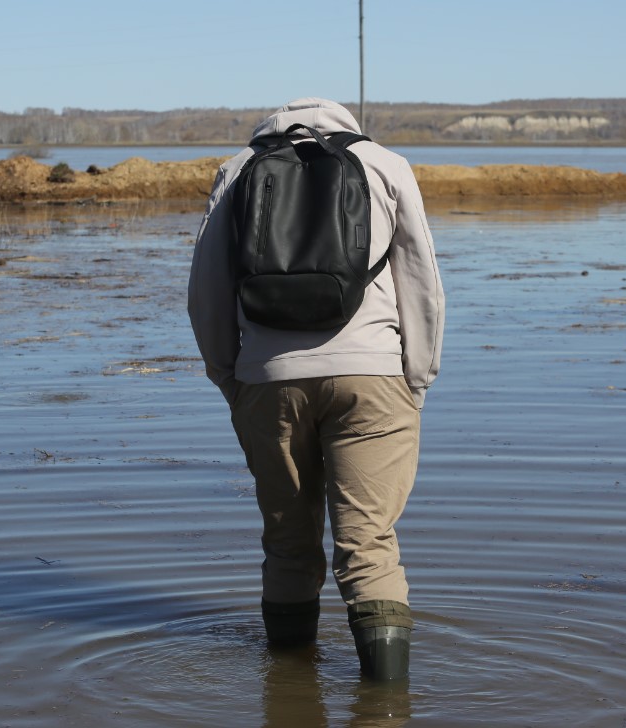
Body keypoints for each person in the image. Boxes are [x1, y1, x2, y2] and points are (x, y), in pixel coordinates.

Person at [187, 97, 444, 680]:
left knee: (288, 542)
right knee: (369, 544)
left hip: (266, 381)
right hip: (374, 379)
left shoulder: (235, 172)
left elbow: (206, 289)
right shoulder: (385, 164)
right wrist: (416, 380)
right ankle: (385, 705)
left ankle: (288, 691)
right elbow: (421, 281)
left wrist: (230, 375)